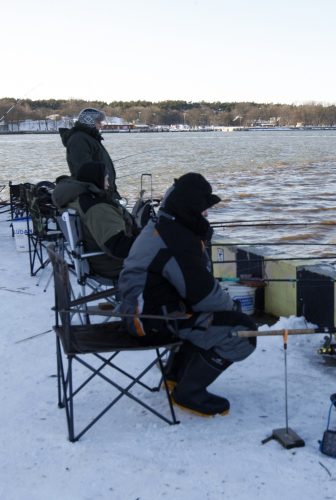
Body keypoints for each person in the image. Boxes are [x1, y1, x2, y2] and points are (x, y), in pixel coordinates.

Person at [118, 173, 256, 416]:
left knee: (204, 315)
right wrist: (233, 308)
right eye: (204, 209)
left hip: (140, 313)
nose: (206, 214)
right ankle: (189, 392)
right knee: (243, 333)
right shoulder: (177, 239)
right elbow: (204, 295)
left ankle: (175, 376)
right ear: (190, 207)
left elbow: (194, 286)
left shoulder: (163, 225)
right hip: (150, 322)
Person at [52, 161, 137, 279]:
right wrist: (150, 242)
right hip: (114, 265)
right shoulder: (97, 208)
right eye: (106, 179)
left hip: (96, 260)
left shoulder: (76, 201)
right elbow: (119, 247)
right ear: (96, 180)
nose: (108, 184)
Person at [59, 108, 120, 198]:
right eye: (98, 122)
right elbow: (84, 170)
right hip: (96, 195)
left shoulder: (89, 138)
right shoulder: (79, 140)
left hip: (105, 193)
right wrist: (99, 193)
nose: (101, 125)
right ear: (89, 122)